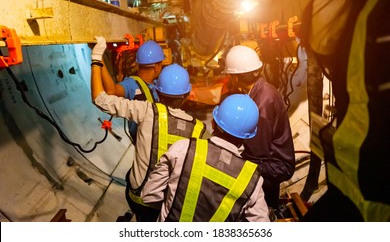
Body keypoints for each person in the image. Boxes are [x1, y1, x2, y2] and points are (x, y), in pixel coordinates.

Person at [91, 42, 208, 221]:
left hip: (138, 196)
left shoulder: (145, 111)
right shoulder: (198, 128)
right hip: (169, 202)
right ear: (185, 96)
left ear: (158, 92)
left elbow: (101, 98)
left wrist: (96, 61)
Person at [141, 94, 270, 222]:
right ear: (248, 137)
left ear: (213, 123)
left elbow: (149, 195)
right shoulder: (252, 180)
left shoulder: (182, 149)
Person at [224, 45, 295, 210]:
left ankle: (266, 210)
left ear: (235, 77)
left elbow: (257, 153)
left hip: (274, 164)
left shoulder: (262, 104)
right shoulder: (260, 91)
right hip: (269, 159)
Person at [93, 36, 165, 143]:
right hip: (144, 143)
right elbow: (111, 91)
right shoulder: (131, 84)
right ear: (156, 67)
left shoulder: (155, 85)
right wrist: (99, 58)